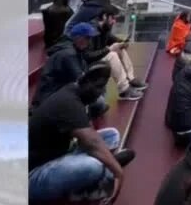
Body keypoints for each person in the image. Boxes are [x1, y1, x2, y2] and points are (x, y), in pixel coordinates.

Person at [29, 62, 136, 203]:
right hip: (32, 175)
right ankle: (100, 176)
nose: (100, 92)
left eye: (103, 86)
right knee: (92, 166)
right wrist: (118, 173)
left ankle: (100, 172)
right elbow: (92, 143)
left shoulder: (75, 92)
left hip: (58, 154)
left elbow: (87, 132)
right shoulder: (68, 102)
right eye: (97, 86)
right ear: (84, 82)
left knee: (112, 135)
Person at [96, 5, 148, 93]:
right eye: (112, 18)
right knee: (112, 55)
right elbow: (87, 55)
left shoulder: (105, 27)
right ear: (105, 16)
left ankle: (130, 78)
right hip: (90, 61)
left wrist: (122, 42)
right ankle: (124, 89)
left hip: (99, 55)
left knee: (119, 48)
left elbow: (110, 38)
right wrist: (109, 49)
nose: (114, 21)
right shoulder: (92, 30)